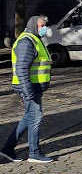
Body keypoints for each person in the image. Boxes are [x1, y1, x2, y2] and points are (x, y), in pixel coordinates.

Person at [2, 15, 54, 163]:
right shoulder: (27, 41)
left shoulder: (35, 39)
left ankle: (7, 149)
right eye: (42, 25)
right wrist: (28, 91)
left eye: (45, 25)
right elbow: (22, 68)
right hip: (29, 87)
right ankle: (34, 153)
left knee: (29, 117)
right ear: (33, 25)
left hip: (34, 86)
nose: (45, 28)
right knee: (35, 118)